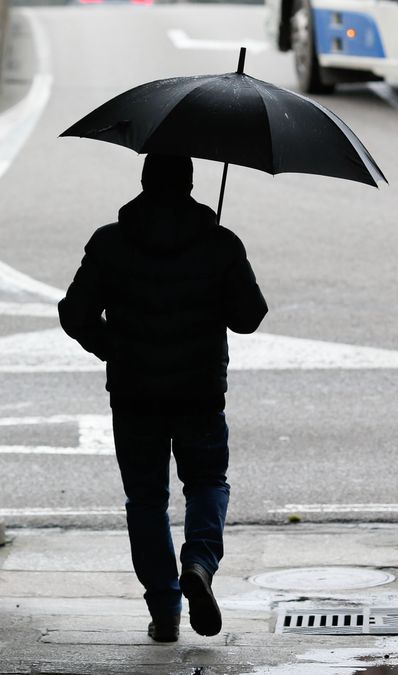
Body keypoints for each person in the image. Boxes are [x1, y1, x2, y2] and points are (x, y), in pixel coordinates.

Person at [58, 153, 268, 643]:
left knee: (146, 500)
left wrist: (109, 345)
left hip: (134, 393)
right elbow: (249, 316)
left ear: (144, 181)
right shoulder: (219, 244)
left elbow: (75, 314)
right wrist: (220, 269)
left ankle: (166, 610)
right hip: (199, 392)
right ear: (192, 185)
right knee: (207, 481)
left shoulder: (109, 242)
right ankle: (198, 560)